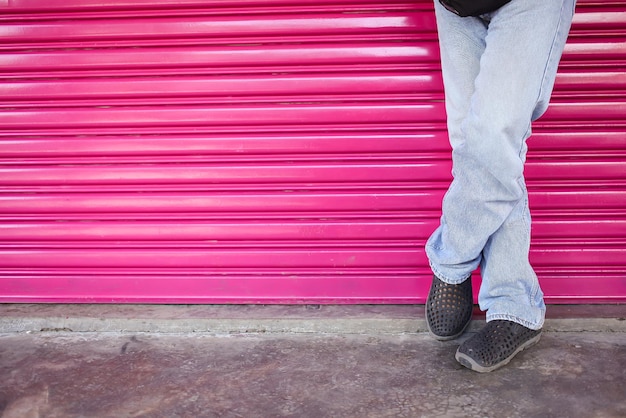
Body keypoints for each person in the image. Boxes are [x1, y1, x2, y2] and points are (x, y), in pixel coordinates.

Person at [425, 0, 577, 372]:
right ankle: (513, 304)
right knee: (471, 143)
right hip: (456, 6)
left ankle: (452, 261)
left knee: (494, 138)